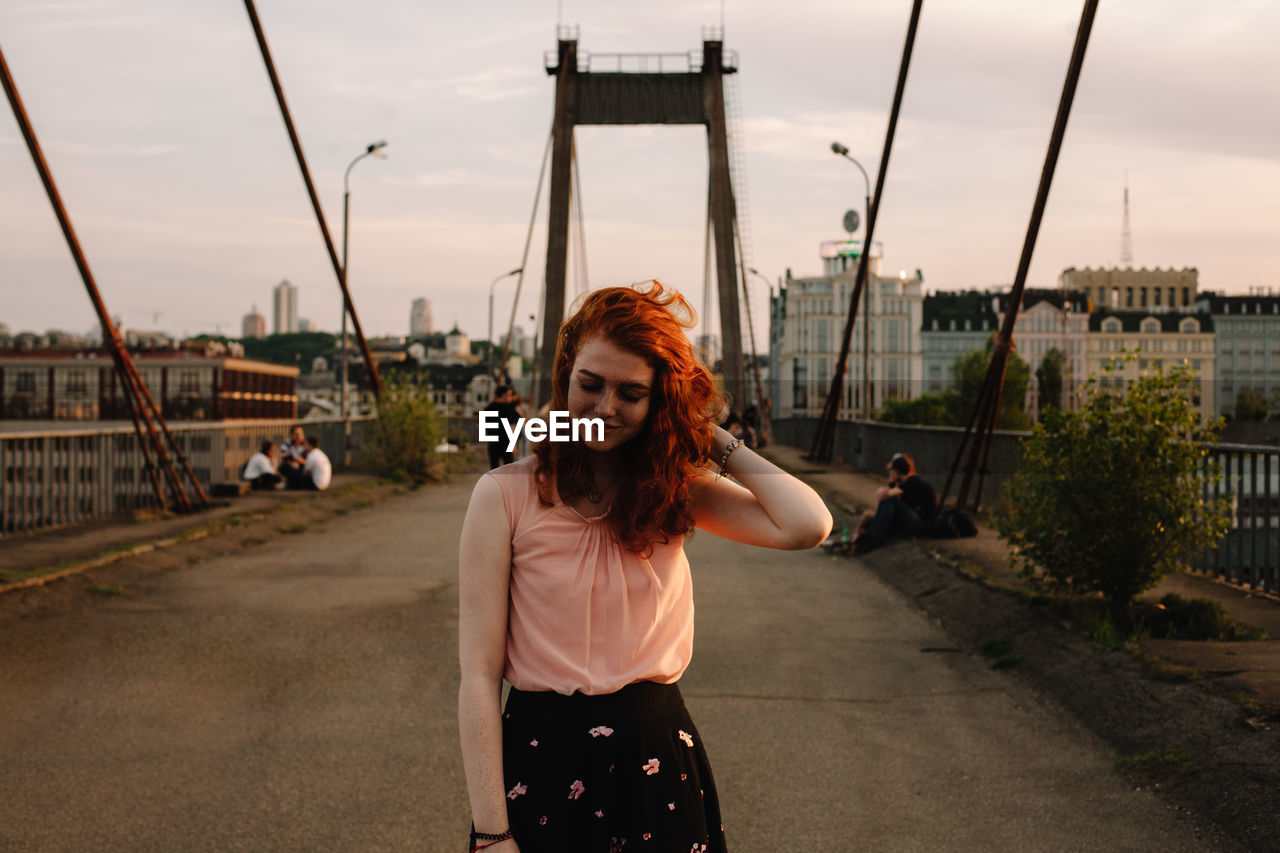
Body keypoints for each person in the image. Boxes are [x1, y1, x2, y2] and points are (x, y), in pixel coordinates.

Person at [457, 282, 832, 853]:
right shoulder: (504, 494)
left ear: (659, 401)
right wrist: (491, 831)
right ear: (566, 376)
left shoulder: (676, 489)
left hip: (656, 764)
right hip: (540, 759)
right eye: (591, 384)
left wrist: (708, 437)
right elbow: (479, 676)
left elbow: (807, 525)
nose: (606, 407)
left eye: (631, 393)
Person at [851, 452, 937, 554]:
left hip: (922, 525)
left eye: (892, 472)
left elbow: (883, 495)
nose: (890, 474)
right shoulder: (906, 483)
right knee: (875, 512)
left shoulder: (911, 482)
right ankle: (870, 535)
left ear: (896, 472)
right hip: (915, 520)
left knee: (890, 501)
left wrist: (891, 482)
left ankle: (876, 537)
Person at [483, 385, 526, 469]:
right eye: (509, 395)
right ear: (504, 395)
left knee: (494, 470)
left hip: (493, 444)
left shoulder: (488, 408)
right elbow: (511, 427)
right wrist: (513, 446)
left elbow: (482, 426)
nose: (510, 397)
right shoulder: (508, 408)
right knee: (509, 470)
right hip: (506, 444)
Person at [279, 425, 309, 489]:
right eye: (297, 434)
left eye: (301, 434)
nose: (300, 436)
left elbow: (307, 460)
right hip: (292, 468)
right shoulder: (286, 445)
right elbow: (285, 460)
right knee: (284, 467)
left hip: (303, 468)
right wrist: (298, 460)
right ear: (291, 435)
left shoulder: (306, 445)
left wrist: (297, 460)